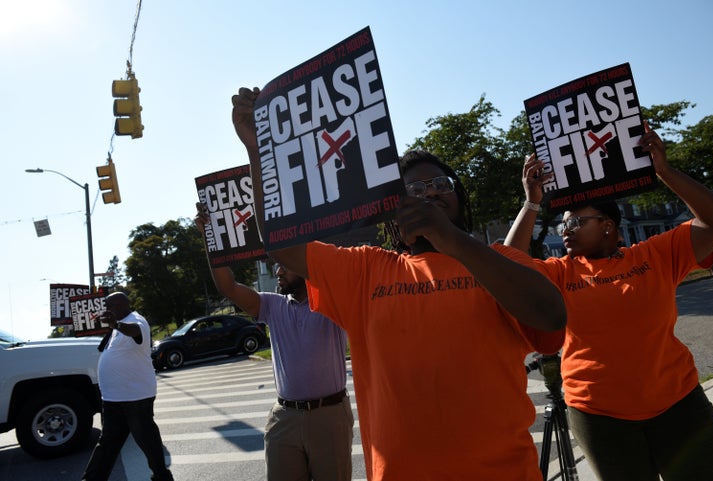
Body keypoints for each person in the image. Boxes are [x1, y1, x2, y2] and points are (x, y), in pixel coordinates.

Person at [231, 86, 567, 481]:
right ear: (393, 214)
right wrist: (259, 152)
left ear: (459, 198)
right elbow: (281, 243)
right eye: (414, 190)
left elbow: (551, 318)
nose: (429, 194)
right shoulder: (367, 270)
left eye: (441, 185)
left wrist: (451, 241)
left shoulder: (501, 262)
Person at [505, 122, 713, 481]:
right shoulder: (560, 271)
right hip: (599, 416)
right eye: (562, 226)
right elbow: (507, 264)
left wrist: (664, 171)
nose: (566, 232)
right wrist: (531, 202)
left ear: (608, 225)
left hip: (679, 404)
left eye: (576, 223)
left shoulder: (655, 253)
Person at [193, 210, 353, 481]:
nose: (277, 270)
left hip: (330, 416)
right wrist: (212, 239)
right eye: (275, 264)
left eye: (284, 264)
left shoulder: (332, 299)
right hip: (284, 418)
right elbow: (228, 287)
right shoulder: (272, 305)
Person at [81, 292, 174, 481]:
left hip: (135, 398)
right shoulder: (116, 329)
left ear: (122, 305)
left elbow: (135, 331)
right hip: (113, 399)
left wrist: (115, 324)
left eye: (110, 306)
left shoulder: (136, 320)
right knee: (107, 444)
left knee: (147, 440)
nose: (106, 310)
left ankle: (162, 476)